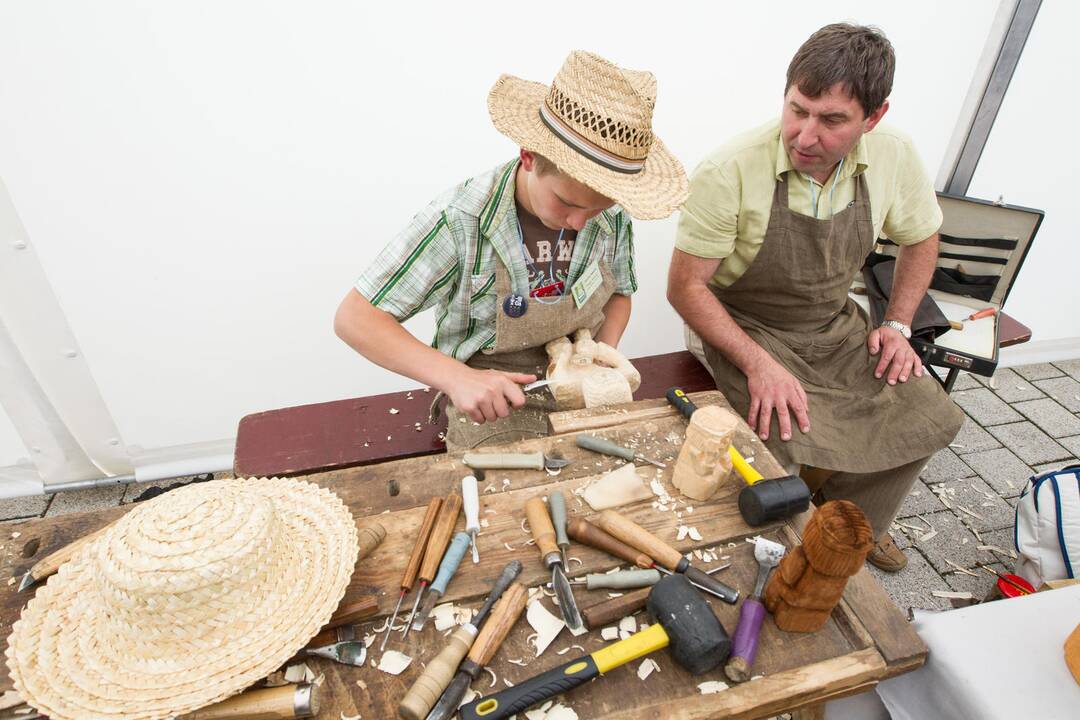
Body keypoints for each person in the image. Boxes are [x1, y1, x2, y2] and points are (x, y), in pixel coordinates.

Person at [667, 23, 964, 572]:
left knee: (924, 412)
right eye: (796, 109)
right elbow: (686, 288)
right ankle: (769, 546)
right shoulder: (730, 168)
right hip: (744, 322)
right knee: (777, 431)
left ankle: (851, 524)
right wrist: (759, 363)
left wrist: (897, 325)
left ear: (873, 118)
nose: (804, 136)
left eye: (831, 121)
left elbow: (922, 237)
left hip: (831, 321)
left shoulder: (893, 154)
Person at [336, 50, 687, 449]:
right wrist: (457, 379)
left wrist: (597, 359)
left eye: (598, 209)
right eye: (568, 204)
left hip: (580, 374)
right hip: (490, 392)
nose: (580, 223)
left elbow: (620, 293)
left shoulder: (610, 213)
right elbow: (355, 318)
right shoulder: (461, 219)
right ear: (529, 157)